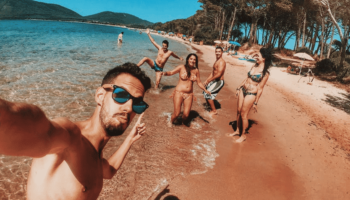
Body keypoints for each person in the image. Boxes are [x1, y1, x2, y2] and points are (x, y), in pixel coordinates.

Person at [0, 63, 151, 199]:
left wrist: (131, 138)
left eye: (137, 103)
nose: (129, 108)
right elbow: (36, 129)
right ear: (100, 96)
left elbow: (109, 170)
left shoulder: (97, 155)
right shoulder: (71, 137)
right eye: (121, 95)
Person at [229, 47, 271, 143]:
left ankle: (243, 135)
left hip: (251, 93)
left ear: (264, 58)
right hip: (242, 90)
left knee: (244, 114)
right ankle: (237, 130)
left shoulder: (265, 73)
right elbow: (246, 78)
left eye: (259, 55)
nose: (256, 57)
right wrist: (238, 87)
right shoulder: (254, 66)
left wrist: (256, 102)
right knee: (238, 111)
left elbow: (260, 88)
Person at [162, 53, 210, 127]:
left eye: (194, 59)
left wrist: (205, 90)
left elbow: (199, 82)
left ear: (196, 61)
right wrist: (164, 73)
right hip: (179, 93)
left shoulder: (196, 70)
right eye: (191, 59)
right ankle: (170, 121)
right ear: (188, 59)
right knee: (177, 113)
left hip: (189, 94)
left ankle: (183, 124)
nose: (192, 60)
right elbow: (171, 72)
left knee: (186, 115)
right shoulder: (182, 67)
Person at [203, 47, 226, 116]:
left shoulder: (221, 62)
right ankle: (210, 106)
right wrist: (207, 80)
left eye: (219, 51)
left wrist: (209, 80)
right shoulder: (216, 61)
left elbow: (219, 74)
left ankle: (214, 110)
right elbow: (213, 73)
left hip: (219, 81)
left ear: (222, 52)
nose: (217, 53)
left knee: (208, 94)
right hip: (214, 80)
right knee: (205, 91)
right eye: (216, 51)